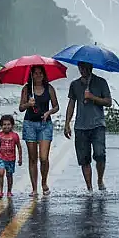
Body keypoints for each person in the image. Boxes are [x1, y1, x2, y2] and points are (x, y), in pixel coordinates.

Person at [63, 62, 112, 192]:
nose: (82, 70)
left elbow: (108, 102)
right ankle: (89, 188)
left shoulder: (101, 82)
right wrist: (67, 123)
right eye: (80, 68)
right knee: (84, 159)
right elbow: (71, 104)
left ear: (91, 67)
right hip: (81, 126)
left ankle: (100, 180)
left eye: (85, 68)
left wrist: (92, 97)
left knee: (100, 154)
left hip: (97, 125)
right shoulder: (74, 84)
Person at [19, 65, 59, 196]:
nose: (38, 75)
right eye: (35, 73)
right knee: (32, 158)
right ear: (31, 75)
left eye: (40, 73)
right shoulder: (27, 89)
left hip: (45, 124)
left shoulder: (49, 88)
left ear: (44, 75)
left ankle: (44, 182)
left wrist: (48, 112)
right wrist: (28, 104)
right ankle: (34, 188)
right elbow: (21, 108)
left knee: (43, 157)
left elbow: (56, 106)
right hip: (29, 124)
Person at [0, 114, 22, 198]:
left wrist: (20, 158)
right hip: (1, 158)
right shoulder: (0, 135)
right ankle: (0, 191)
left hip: (11, 159)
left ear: (12, 125)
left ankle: (9, 191)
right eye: (4, 124)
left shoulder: (15, 136)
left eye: (8, 124)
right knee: (0, 173)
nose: (6, 126)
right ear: (1, 126)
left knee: (9, 175)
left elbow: (19, 147)